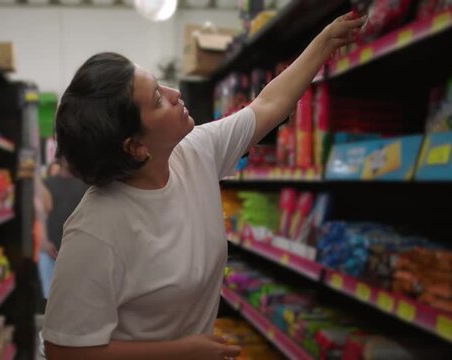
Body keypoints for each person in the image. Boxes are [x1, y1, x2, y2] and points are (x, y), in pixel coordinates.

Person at [42, 12, 365, 359]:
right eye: (157, 99)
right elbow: (65, 351)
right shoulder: (96, 231)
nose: (175, 92)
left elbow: (269, 105)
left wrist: (325, 41)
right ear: (136, 146)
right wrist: (179, 351)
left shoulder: (193, 152)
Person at [38, 159, 89, 299]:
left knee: (76, 298)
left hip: (78, 252)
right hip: (51, 251)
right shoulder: (47, 183)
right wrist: (44, 242)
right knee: (51, 298)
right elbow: (40, 216)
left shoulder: (86, 185)